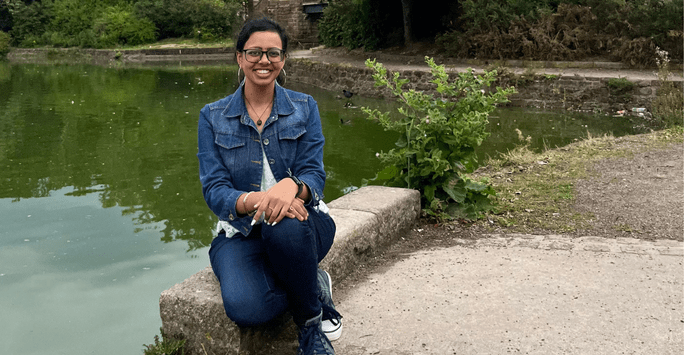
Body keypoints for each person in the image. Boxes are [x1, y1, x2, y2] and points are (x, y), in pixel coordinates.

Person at [196, 18, 342, 355]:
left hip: (303, 225)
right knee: (248, 309)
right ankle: (312, 284)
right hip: (241, 230)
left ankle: (309, 324)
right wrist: (262, 200)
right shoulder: (212, 116)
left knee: (285, 227)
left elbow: (314, 175)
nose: (264, 60)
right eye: (255, 52)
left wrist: (291, 188)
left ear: (283, 59)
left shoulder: (305, 108)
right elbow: (215, 190)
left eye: (273, 53)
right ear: (239, 58)